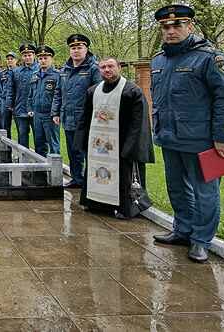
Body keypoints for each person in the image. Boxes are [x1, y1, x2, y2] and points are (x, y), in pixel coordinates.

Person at [149, 4, 224, 263]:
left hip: (200, 139)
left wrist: (222, 137)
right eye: (165, 26)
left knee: (205, 192)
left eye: (177, 25)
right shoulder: (158, 60)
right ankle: (183, 230)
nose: (171, 30)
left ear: (190, 27)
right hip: (169, 137)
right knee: (176, 189)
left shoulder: (210, 58)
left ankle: (201, 240)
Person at [74, 57, 154, 219]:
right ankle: (96, 203)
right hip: (97, 144)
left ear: (119, 67)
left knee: (124, 176)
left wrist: (131, 147)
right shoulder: (93, 91)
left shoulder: (132, 91)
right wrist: (81, 141)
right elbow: (85, 118)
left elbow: (139, 123)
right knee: (96, 173)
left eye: (110, 66)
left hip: (123, 144)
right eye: (103, 67)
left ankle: (126, 208)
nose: (107, 70)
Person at [53, 34, 102, 189]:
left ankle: (90, 182)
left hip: (86, 119)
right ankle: (76, 178)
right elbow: (58, 92)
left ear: (86, 49)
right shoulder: (64, 70)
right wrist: (55, 112)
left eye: (79, 47)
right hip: (68, 117)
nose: (76, 51)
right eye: (73, 48)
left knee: (88, 152)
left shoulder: (94, 69)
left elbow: (99, 93)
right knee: (73, 151)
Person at [28, 46, 61, 157]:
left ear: (51, 59)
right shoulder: (35, 75)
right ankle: (41, 171)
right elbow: (31, 94)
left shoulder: (57, 75)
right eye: (40, 58)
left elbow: (59, 96)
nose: (43, 60)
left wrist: (56, 113)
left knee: (53, 145)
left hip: (50, 116)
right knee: (39, 144)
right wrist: (30, 108)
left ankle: (55, 171)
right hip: (37, 115)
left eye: (45, 58)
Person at [12, 44, 39, 148]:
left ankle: (40, 162)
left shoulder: (40, 69)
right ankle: (23, 161)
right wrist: (10, 104)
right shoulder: (16, 71)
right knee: (22, 137)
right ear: (22, 57)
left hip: (36, 109)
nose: (27, 57)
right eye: (25, 55)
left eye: (29, 55)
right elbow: (11, 90)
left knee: (39, 138)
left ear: (34, 55)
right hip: (20, 108)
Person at [1, 52, 18, 138]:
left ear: (16, 60)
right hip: (5, 101)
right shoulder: (3, 73)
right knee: (5, 125)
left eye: (12, 59)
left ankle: (20, 148)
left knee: (20, 126)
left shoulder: (19, 72)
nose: (10, 61)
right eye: (8, 59)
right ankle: (7, 147)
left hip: (16, 101)